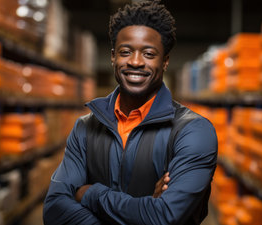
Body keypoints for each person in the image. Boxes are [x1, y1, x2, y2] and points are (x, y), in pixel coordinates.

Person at [43, 1, 217, 224]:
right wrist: (144, 210)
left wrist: (90, 194)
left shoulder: (192, 131)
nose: (135, 62)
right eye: (126, 52)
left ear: (165, 62)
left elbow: (164, 217)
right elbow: (54, 210)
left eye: (148, 53)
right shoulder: (85, 128)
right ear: (113, 57)